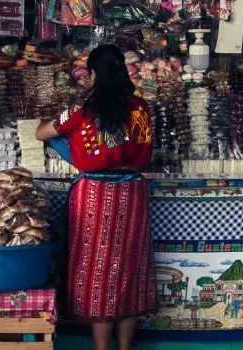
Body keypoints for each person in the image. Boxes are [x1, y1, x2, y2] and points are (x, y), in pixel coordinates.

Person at [35, 44, 157, 350]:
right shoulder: (140, 107)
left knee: (97, 271)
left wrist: (71, 146)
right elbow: (144, 151)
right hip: (132, 194)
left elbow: (41, 133)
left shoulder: (82, 108)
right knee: (131, 269)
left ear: (92, 74)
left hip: (95, 195)